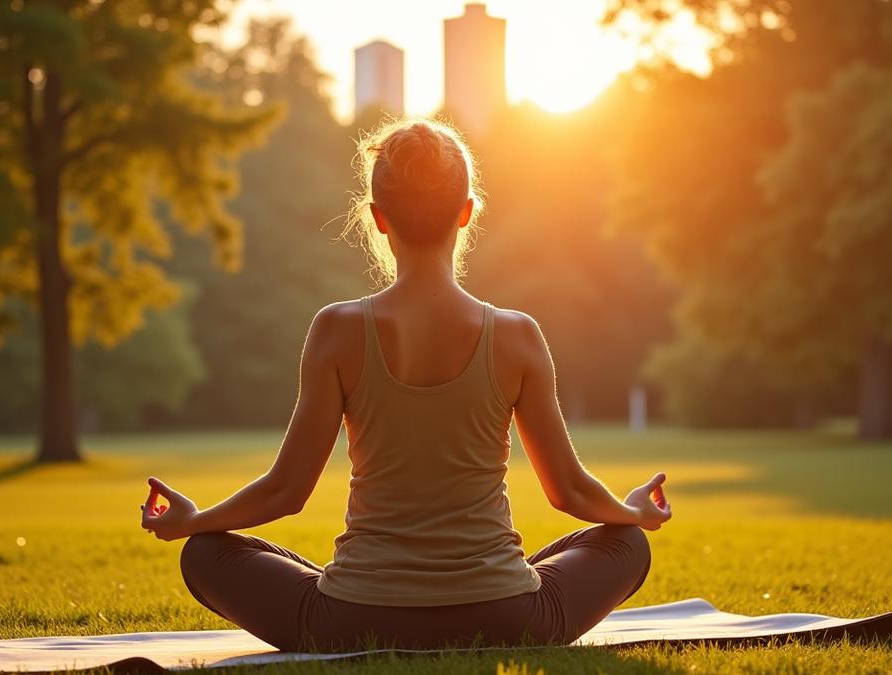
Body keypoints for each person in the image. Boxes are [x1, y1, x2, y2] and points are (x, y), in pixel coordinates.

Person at [139, 118, 672, 653]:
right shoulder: (517, 335)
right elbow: (570, 492)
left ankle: (391, 589)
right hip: (510, 618)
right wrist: (635, 514)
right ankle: (492, 583)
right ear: (466, 214)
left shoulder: (337, 329)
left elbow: (286, 491)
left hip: (351, 620)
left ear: (378, 219)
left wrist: (197, 521)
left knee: (205, 554)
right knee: (625, 543)